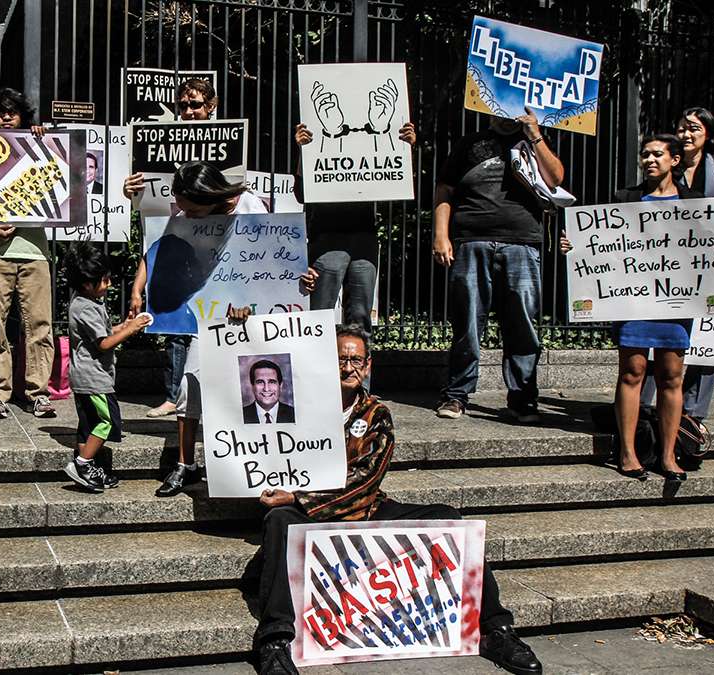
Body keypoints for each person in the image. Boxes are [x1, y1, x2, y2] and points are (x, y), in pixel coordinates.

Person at [251, 325, 542, 675]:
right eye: (340, 359)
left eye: (356, 360)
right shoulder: (296, 409)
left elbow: (367, 477)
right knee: (280, 520)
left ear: (368, 365)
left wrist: (298, 495)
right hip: (311, 514)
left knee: (449, 518)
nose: (348, 368)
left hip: (362, 507)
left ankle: (496, 629)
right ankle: (275, 640)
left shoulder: (376, 414)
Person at [561, 134, 714, 481]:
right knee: (632, 372)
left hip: (676, 301)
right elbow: (600, 245)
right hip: (634, 300)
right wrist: (575, 245)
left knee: (671, 376)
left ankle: (669, 456)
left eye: (658, 154)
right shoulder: (624, 199)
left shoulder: (697, 202)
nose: (650, 160)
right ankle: (627, 453)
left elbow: (711, 247)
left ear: (674, 160)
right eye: (645, 154)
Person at [432, 108, 564, 424]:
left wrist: (535, 136)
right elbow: (445, 190)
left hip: (522, 243)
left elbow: (556, 179)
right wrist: (440, 234)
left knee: (522, 324)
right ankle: (457, 395)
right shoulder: (469, 144)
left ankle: (522, 399)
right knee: (467, 324)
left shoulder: (534, 144)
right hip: (471, 240)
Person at [150, 161, 268, 497]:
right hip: (210, 313)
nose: (188, 215)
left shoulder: (248, 206)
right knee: (190, 385)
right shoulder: (185, 219)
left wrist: (248, 299)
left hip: (251, 317)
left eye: (193, 209)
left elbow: (268, 261)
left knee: (252, 389)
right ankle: (186, 465)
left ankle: (254, 465)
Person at [639, 107, 714, 426]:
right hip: (668, 265)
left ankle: (693, 413)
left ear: (708, 134)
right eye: (681, 128)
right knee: (656, 334)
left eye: (693, 128)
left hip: (710, 262)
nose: (686, 134)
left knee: (709, 337)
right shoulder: (663, 163)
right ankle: (645, 408)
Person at [125, 77, 218, 418]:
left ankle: (209, 398)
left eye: (196, 105)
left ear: (212, 107)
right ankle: (173, 395)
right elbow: (147, 204)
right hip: (178, 243)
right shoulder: (163, 144)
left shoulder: (229, 144)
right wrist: (131, 190)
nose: (189, 112)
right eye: (184, 106)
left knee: (215, 323)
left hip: (216, 247)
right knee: (178, 326)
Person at [0, 88, 56, 420]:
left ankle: (38, 392)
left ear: (23, 115)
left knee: (40, 323)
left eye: (13, 111)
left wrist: (49, 140)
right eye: (0, 111)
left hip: (34, 250)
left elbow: (64, 179)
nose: (7, 116)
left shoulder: (40, 146)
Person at [293, 121, 418, 332]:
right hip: (327, 237)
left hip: (364, 238)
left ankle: (357, 363)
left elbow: (397, 184)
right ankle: (316, 363)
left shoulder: (372, 144)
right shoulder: (321, 145)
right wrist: (303, 152)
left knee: (361, 318)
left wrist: (405, 149)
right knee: (319, 317)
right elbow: (301, 193)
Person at [61, 243, 151, 492]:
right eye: (104, 280)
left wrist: (124, 326)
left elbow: (102, 334)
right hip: (94, 378)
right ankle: (83, 463)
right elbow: (103, 344)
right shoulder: (85, 307)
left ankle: (89, 471)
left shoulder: (87, 301)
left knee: (88, 425)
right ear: (87, 283)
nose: (109, 283)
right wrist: (130, 331)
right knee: (107, 421)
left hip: (87, 377)